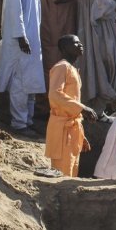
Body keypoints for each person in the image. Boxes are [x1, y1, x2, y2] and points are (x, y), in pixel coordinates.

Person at [0, 0, 48, 135]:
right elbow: (14, 6)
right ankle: (19, 123)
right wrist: (21, 35)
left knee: (29, 81)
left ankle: (27, 120)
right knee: (20, 81)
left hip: (31, 37)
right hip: (22, 39)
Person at [45, 35, 97, 177]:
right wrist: (82, 108)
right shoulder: (61, 67)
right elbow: (55, 95)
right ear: (63, 48)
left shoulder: (72, 68)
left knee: (72, 172)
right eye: (75, 43)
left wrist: (81, 135)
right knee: (63, 174)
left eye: (80, 42)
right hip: (63, 129)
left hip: (72, 129)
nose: (80, 45)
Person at [37, 0, 93, 85]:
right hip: (58, 28)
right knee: (57, 70)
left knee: (49, 68)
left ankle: (45, 102)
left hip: (48, 27)